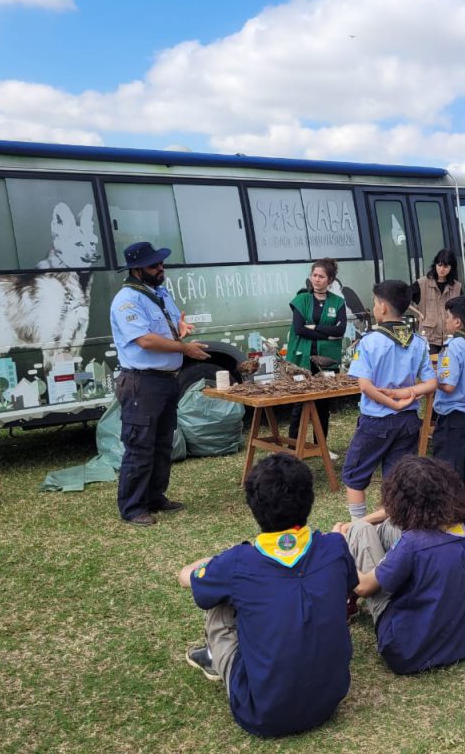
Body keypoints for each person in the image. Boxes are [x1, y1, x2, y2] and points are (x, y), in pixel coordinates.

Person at [178, 452, 356, 736]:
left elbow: (186, 577)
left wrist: (212, 562)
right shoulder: (334, 546)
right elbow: (348, 585)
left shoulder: (237, 563)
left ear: (252, 505)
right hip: (329, 700)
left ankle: (215, 656)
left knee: (217, 599)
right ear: (310, 499)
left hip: (261, 713)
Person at [332, 455, 465, 674]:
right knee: (379, 527)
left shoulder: (413, 543)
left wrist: (340, 546)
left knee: (360, 532)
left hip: (406, 651)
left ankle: (345, 596)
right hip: (461, 643)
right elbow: (394, 516)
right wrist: (363, 521)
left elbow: (364, 587)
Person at [109, 241, 210, 526]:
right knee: (140, 445)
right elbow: (145, 340)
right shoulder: (127, 300)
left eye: (161, 263)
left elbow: (166, 327)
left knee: (162, 444)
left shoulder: (159, 293)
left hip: (165, 380)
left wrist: (180, 329)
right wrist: (184, 348)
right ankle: (132, 507)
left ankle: (155, 497)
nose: (160, 268)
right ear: (137, 270)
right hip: (142, 382)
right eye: (154, 265)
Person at [342, 280, 437, 519]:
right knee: (398, 480)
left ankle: (358, 527)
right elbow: (431, 383)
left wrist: (393, 402)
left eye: (375, 303)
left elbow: (364, 385)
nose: (374, 307)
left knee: (354, 475)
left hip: (376, 422)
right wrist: (407, 394)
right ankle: (394, 528)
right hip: (408, 421)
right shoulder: (418, 342)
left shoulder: (369, 341)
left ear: (383, 307)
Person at [286, 258, 347, 448]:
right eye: (314, 275)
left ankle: (320, 446)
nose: (317, 279)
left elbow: (341, 330)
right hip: (302, 360)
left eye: (321, 276)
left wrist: (315, 327)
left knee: (323, 405)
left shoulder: (338, 302)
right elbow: (299, 329)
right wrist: (328, 334)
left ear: (330, 280)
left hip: (327, 361)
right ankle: (292, 446)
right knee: (299, 403)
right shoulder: (301, 300)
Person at [432, 294, 465, 492]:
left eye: (447, 317)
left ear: (457, 322)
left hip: (454, 415)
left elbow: (448, 385)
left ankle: (449, 505)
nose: (445, 321)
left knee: (448, 468)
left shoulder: (453, 346)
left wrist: (431, 379)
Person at [411, 249, 462, 354]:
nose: (441, 269)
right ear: (435, 264)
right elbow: (401, 297)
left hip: (450, 338)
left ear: (452, 268)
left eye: (446, 266)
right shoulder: (422, 284)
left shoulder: (457, 287)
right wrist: (418, 313)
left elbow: (464, 308)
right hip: (428, 338)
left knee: (448, 364)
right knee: (431, 364)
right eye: (439, 265)